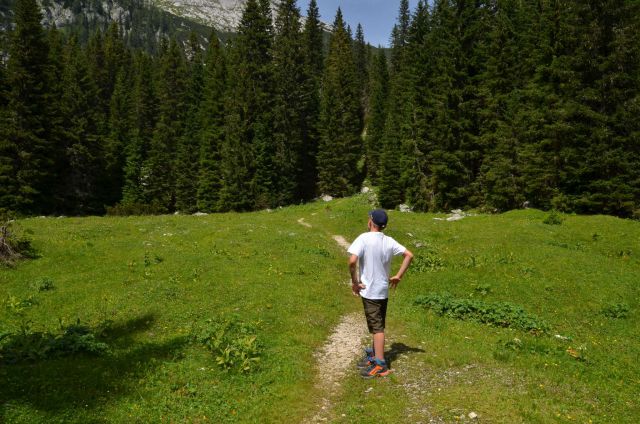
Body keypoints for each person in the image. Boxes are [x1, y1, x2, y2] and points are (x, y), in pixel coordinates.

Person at [347, 209, 413, 378]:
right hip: (382, 291)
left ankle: (380, 364)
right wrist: (398, 276)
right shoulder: (389, 241)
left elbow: (352, 261)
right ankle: (374, 356)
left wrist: (355, 282)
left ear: (371, 221)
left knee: (377, 328)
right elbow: (408, 255)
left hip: (369, 292)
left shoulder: (363, 238)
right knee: (377, 324)